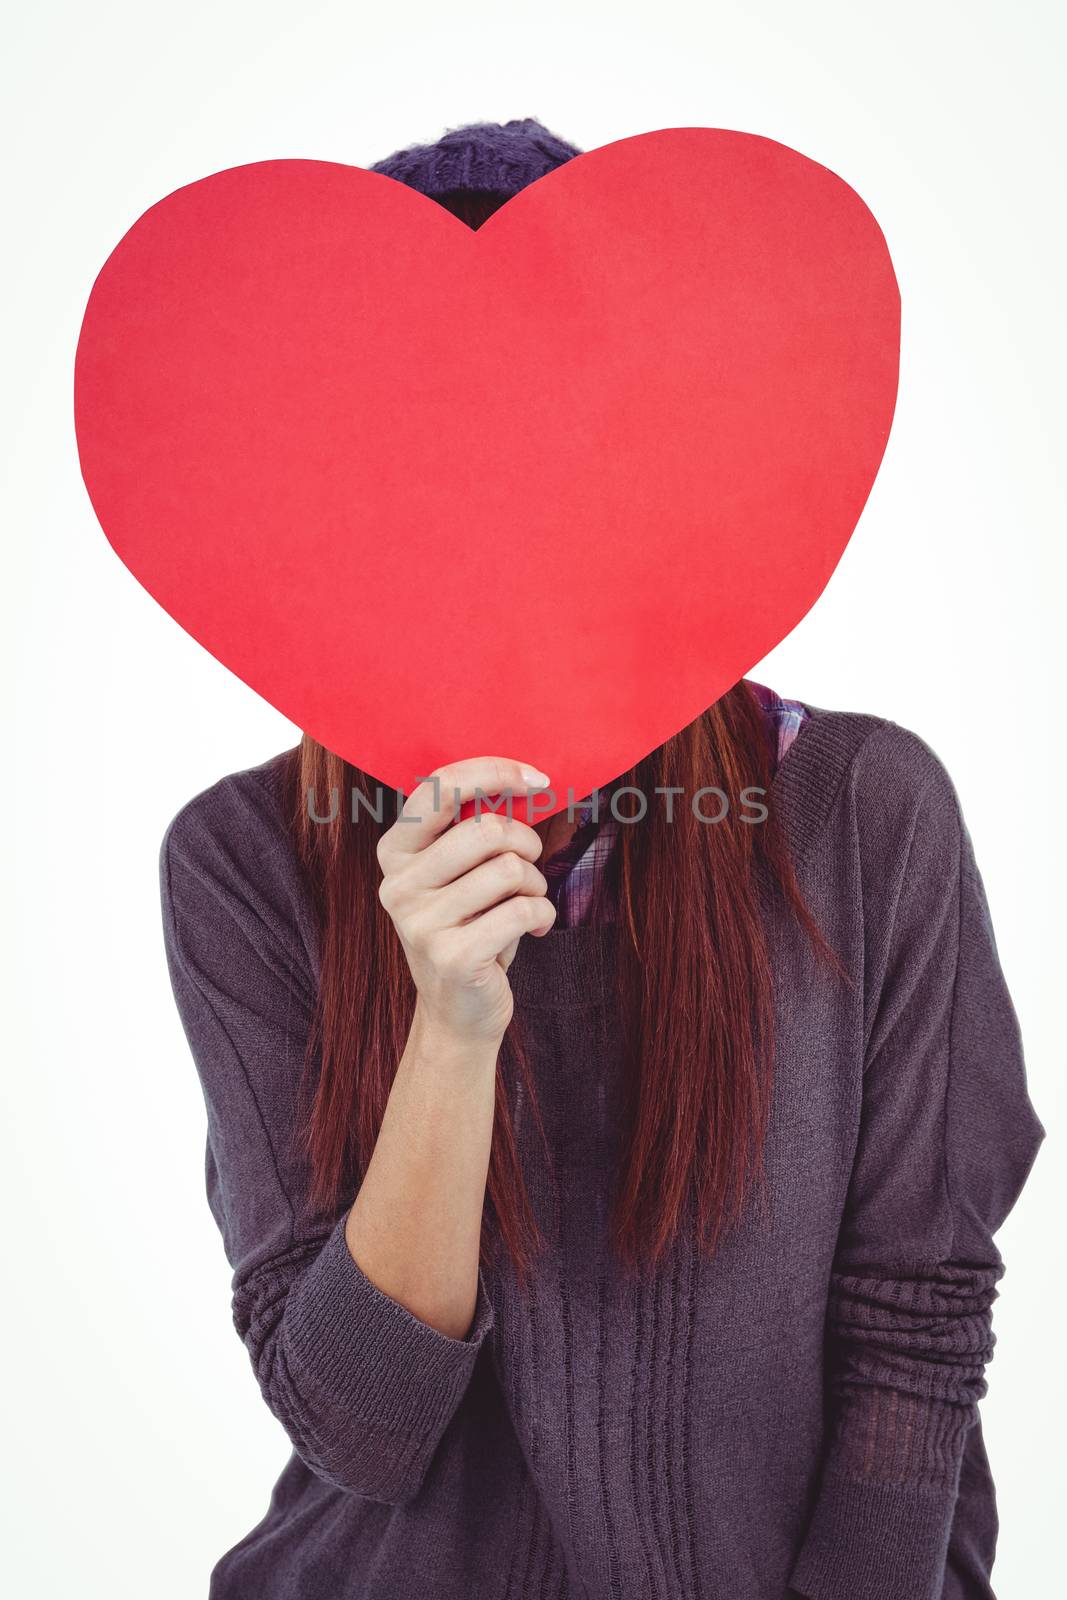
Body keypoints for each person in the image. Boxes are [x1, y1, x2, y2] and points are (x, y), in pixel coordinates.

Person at [159, 118, 1044, 1600]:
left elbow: (917, 1327)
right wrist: (449, 1032)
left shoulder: (864, 812)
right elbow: (359, 1432)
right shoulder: (244, 862)